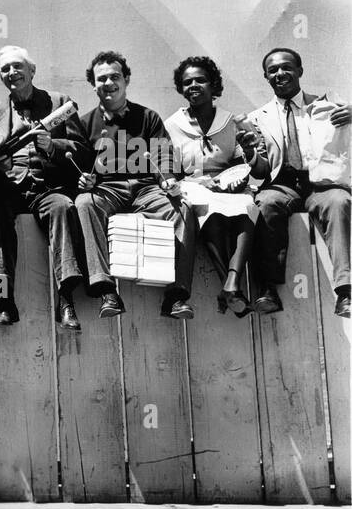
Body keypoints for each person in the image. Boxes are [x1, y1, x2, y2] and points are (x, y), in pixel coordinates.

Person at [66, 51, 197, 319]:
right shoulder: (83, 123)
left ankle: (176, 296)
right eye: (101, 78)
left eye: (115, 76)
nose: (108, 83)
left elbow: (163, 155)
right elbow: (79, 163)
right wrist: (84, 180)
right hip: (108, 190)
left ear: (126, 80)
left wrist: (168, 178)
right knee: (83, 203)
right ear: (93, 84)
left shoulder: (148, 117)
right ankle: (107, 291)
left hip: (147, 188)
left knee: (182, 206)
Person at [0, 46, 85, 330]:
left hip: (49, 188)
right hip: (8, 191)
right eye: (5, 69)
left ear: (32, 70)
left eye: (17, 66)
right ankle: (4, 301)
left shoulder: (60, 103)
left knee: (64, 208)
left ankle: (66, 300)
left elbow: (82, 151)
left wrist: (54, 146)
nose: (12, 73)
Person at [246, 47, 351, 318]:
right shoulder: (257, 118)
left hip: (321, 184)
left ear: (299, 71)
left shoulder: (328, 107)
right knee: (265, 202)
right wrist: (249, 153)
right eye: (273, 70)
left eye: (286, 67)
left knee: (339, 202)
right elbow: (261, 171)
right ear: (266, 77)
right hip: (283, 183)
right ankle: (268, 288)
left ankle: (346, 291)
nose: (280, 73)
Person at [164, 56, 268, 316]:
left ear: (214, 85)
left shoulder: (232, 122)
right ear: (181, 89)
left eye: (201, 80)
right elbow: (170, 168)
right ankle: (231, 286)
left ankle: (232, 282)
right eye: (187, 82)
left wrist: (241, 173)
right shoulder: (172, 125)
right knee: (209, 213)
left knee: (246, 206)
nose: (194, 86)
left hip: (227, 186)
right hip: (193, 185)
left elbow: (255, 168)